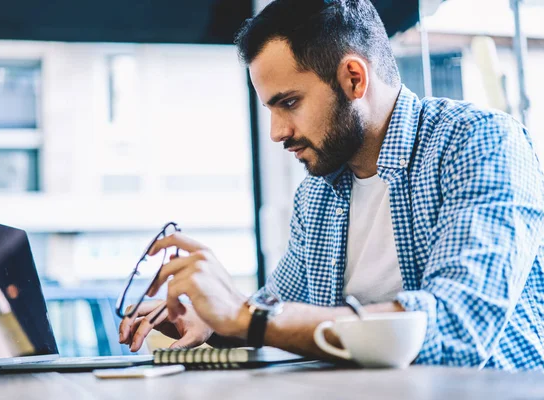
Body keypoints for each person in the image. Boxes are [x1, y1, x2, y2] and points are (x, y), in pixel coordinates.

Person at [119, 0, 544, 371]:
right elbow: (276, 307)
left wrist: (248, 318)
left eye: (289, 103)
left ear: (354, 79)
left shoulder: (482, 142)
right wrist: (213, 322)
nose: (276, 132)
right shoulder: (318, 194)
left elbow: (458, 326)